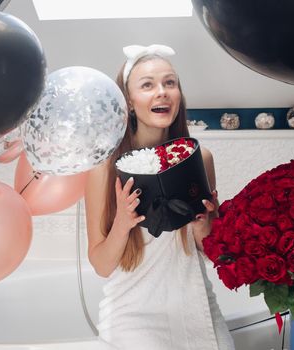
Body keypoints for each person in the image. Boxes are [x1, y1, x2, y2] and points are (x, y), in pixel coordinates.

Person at [84, 44, 235, 350]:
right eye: (148, 85)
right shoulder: (105, 167)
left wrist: (204, 226)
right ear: (128, 99)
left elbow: (211, 253)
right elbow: (101, 265)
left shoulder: (199, 158)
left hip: (196, 304)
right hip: (133, 313)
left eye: (170, 83)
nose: (162, 92)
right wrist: (123, 224)